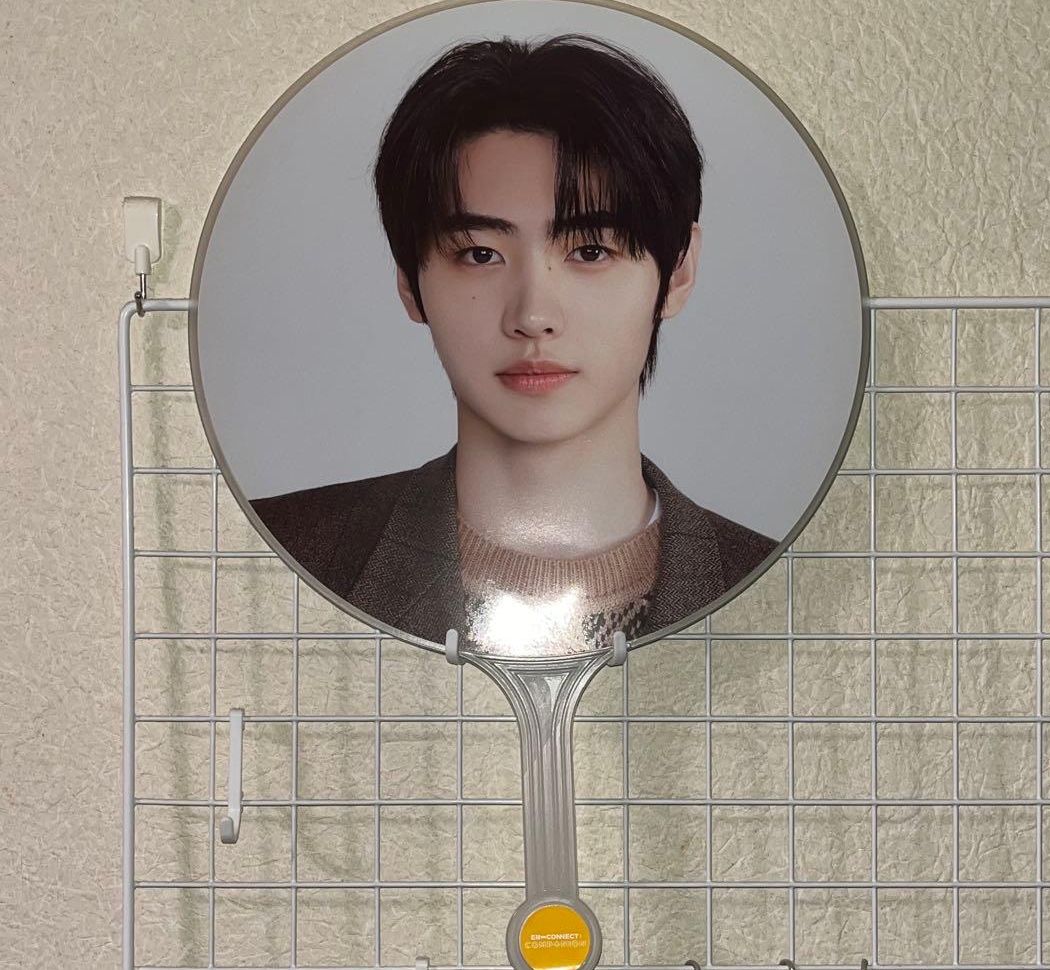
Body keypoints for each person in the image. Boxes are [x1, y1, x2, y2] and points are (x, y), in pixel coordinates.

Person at [252, 34, 778, 656]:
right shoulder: (264, 558)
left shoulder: (786, 594)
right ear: (409, 282)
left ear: (679, 272)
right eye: (480, 254)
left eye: (590, 251)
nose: (532, 316)